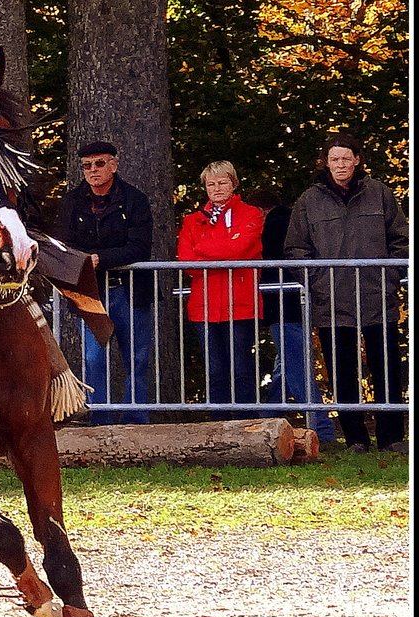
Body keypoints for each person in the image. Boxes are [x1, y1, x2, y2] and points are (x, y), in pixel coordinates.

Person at [285, 131, 409, 454]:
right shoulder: (309, 201)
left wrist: (390, 275)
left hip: (376, 297)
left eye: (345, 158)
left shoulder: (379, 194)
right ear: (326, 163)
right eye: (334, 159)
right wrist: (317, 283)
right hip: (333, 302)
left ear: (357, 160)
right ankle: (355, 438)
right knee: (341, 373)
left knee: (387, 369)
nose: (340, 164)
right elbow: (296, 249)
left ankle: (392, 437)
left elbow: (401, 239)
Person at [58, 140, 156, 425]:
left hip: (130, 290)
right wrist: (85, 260)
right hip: (92, 292)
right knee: (93, 358)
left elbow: (139, 247)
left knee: (136, 358)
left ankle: (136, 418)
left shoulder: (134, 200)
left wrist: (101, 258)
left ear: (114, 165)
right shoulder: (72, 201)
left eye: (99, 164)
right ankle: (99, 418)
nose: (93, 170)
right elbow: (64, 243)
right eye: (87, 165)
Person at [175, 161, 262, 420]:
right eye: (211, 184)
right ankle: (218, 427)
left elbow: (238, 250)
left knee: (242, 368)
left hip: (241, 302)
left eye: (222, 182)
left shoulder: (251, 213)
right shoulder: (192, 220)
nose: (217, 188)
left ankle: (248, 426)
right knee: (214, 370)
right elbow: (186, 262)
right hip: (204, 306)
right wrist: (223, 246)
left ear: (234, 184)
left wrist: (204, 248)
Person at [251, 188, 336, 444]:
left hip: (284, 303)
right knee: (285, 364)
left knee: (295, 364)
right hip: (293, 301)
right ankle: (268, 416)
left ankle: (321, 427)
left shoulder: (276, 225)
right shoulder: (292, 220)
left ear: (261, 212)